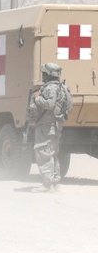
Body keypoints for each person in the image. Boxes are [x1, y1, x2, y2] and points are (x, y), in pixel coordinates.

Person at [26, 62, 73, 192]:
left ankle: (47, 184)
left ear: (48, 74)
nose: (43, 76)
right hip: (56, 125)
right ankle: (54, 183)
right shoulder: (63, 87)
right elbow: (69, 106)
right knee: (53, 153)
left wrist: (37, 98)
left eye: (44, 74)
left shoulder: (50, 88)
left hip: (46, 126)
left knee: (43, 153)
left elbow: (49, 104)